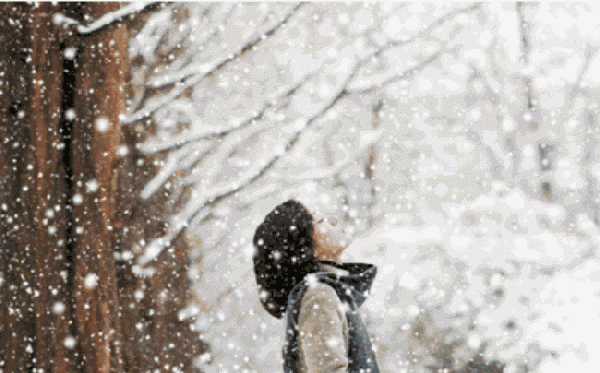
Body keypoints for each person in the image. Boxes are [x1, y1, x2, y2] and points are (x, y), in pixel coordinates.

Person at [252, 199, 380, 373]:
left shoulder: (322, 293)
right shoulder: (318, 296)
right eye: (319, 223)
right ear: (309, 249)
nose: (333, 222)